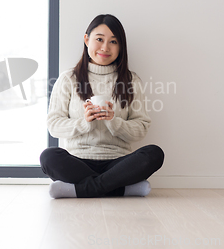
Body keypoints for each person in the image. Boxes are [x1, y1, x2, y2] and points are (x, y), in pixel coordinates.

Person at [40, 14, 164, 199]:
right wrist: (83, 123)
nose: (105, 47)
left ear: (120, 47)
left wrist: (114, 122)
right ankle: (121, 189)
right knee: (49, 157)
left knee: (154, 153)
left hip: (118, 163)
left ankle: (80, 189)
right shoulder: (68, 79)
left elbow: (141, 129)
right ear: (86, 39)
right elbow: (54, 125)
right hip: (78, 160)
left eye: (113, 41)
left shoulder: (131, 81)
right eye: (99, 39)